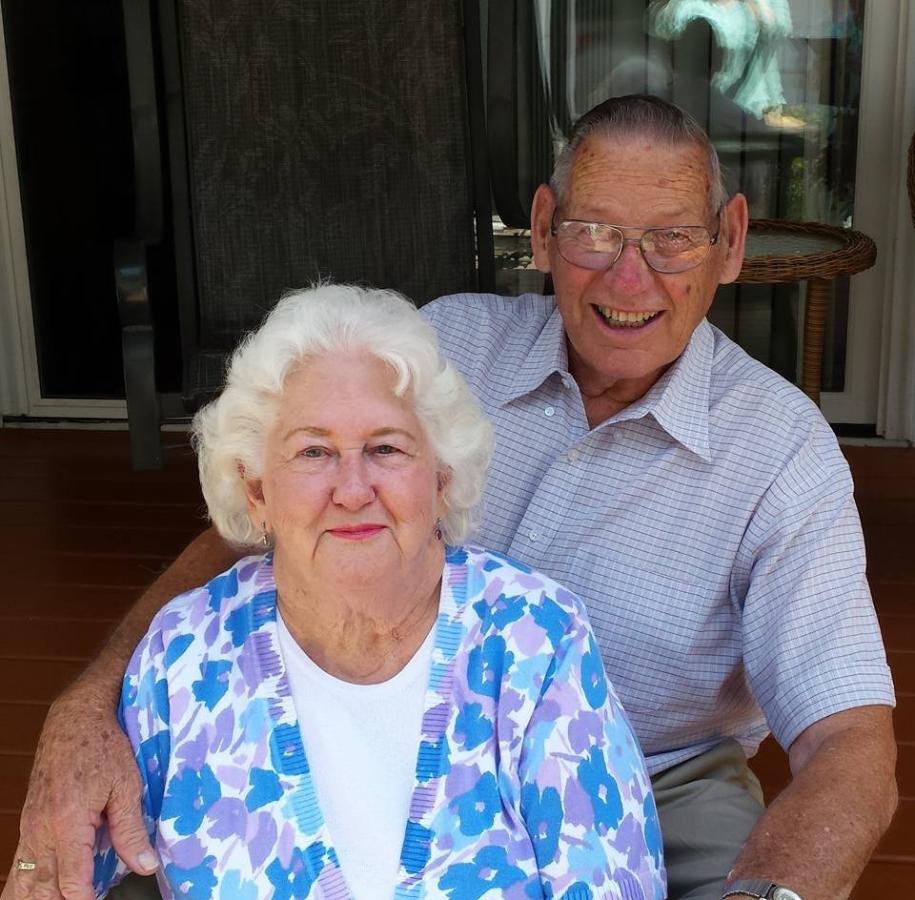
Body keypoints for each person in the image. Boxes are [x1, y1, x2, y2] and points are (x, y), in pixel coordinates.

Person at [11, 95, 896, 900]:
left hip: (666, 779)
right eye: (594, 232)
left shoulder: (779, 449)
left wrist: (770, 895)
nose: (630, 279)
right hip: (396, 729)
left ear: (729, 242)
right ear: (542, 230)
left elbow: (847, 740)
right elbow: (263, 528)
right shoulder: (443, 348)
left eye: (671, 239)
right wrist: (90, 702)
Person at [3, 285, 665, 900]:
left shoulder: (536, 638)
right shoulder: (186, 656)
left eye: (386, 448)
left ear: (440, 478)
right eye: (313, 452)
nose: (352, 489)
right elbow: (51, 874)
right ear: (256, 490)